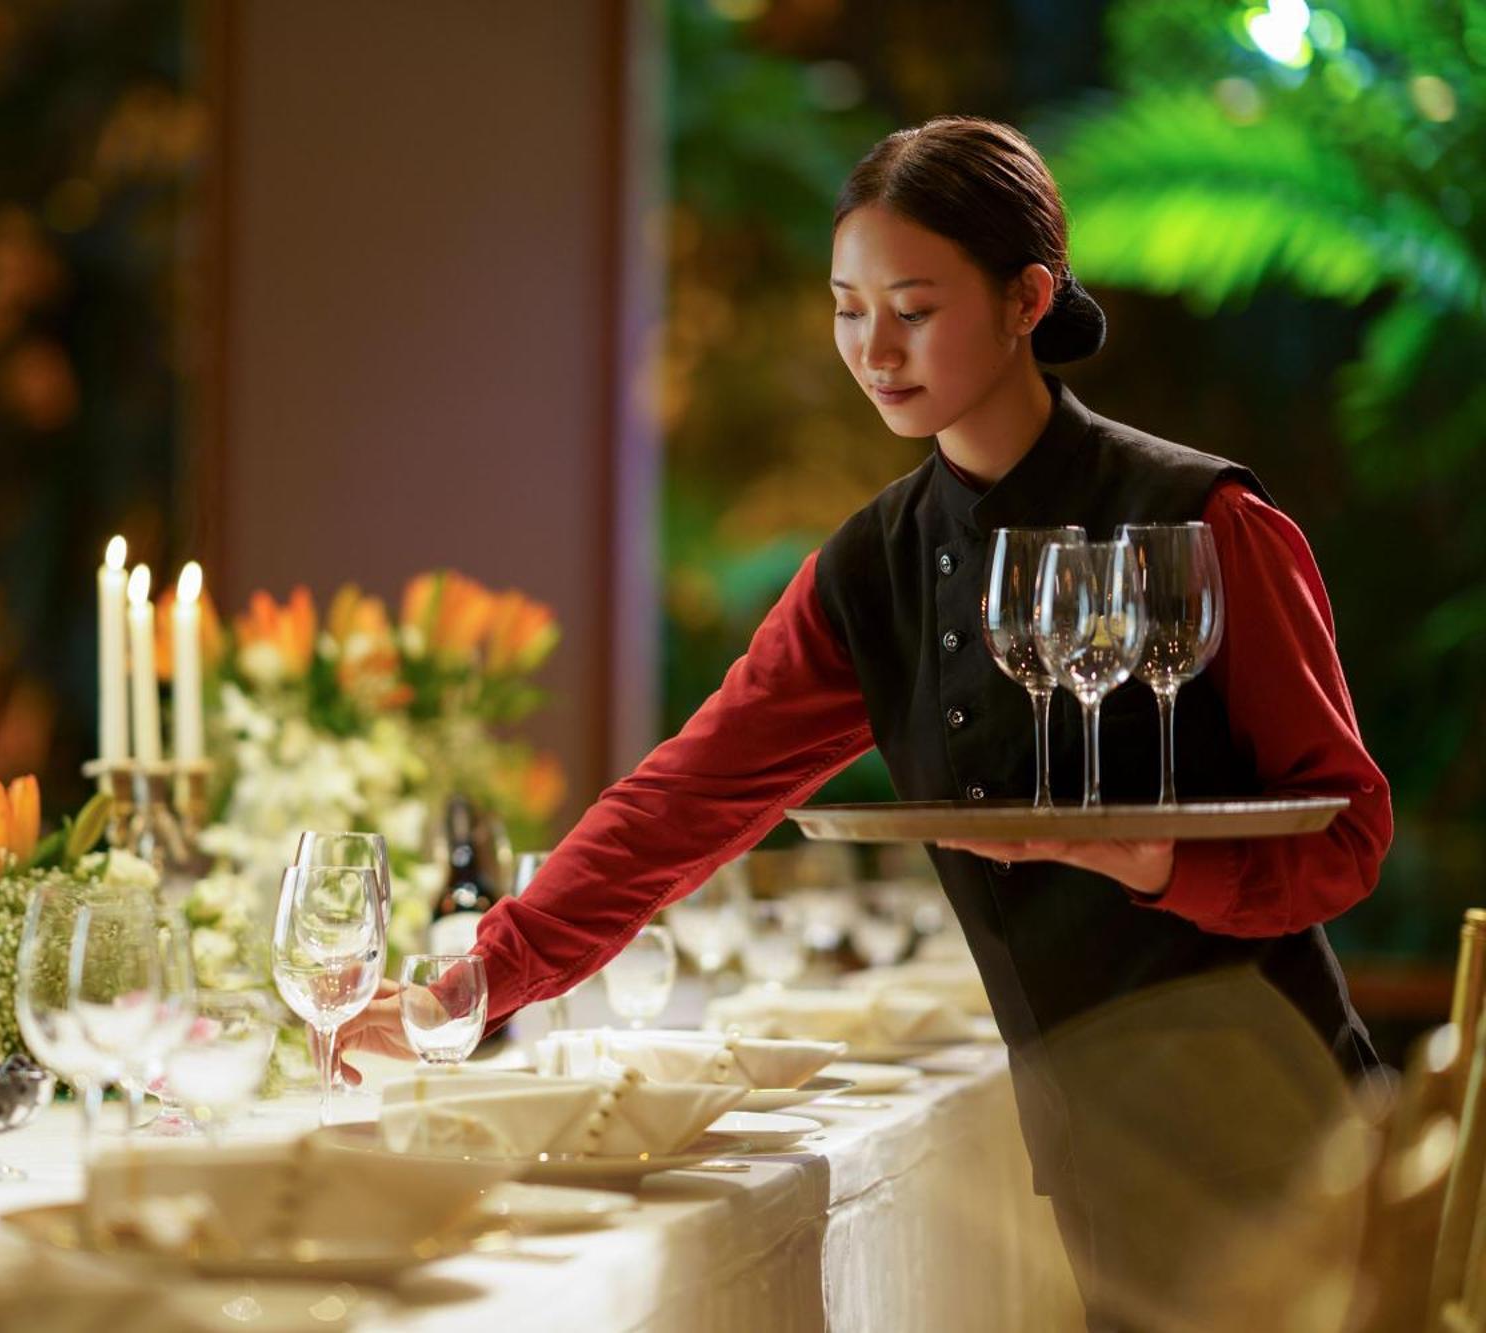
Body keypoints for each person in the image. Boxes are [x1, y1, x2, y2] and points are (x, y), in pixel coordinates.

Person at [341, 116, 1391, 1330]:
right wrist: (473, 983)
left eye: (911, 306)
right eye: (846, 308)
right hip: (1094, 1140)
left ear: (1024, 299)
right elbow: (681, 803)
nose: (872, 349)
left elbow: (1346, 833)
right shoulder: (877, 566)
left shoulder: (1202, 518)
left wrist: (1141, 856)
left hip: (1277, 1122)